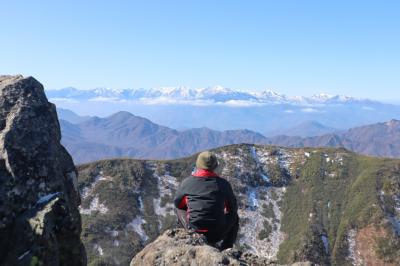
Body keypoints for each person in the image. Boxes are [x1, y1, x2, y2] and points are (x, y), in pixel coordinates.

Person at [173, 151, 239, 250]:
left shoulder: (187, 183)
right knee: (235, 217)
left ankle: (185, 239)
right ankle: (226, 248)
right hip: (216, 234)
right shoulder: (223, 184)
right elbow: (232, 209)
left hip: (194, 231)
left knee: (178, 210)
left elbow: (178, 204)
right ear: (215, 166)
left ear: (198, 165)